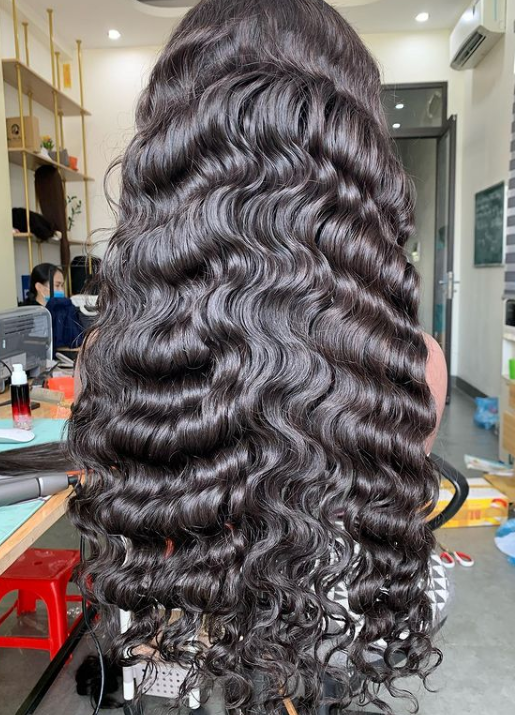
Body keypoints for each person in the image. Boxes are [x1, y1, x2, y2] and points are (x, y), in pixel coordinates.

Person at [3, 1, 449, 713]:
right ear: (355, 156)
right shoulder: (413, 367)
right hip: (324, 645)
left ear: (171, 160)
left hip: (183, 648)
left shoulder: (107, 360)